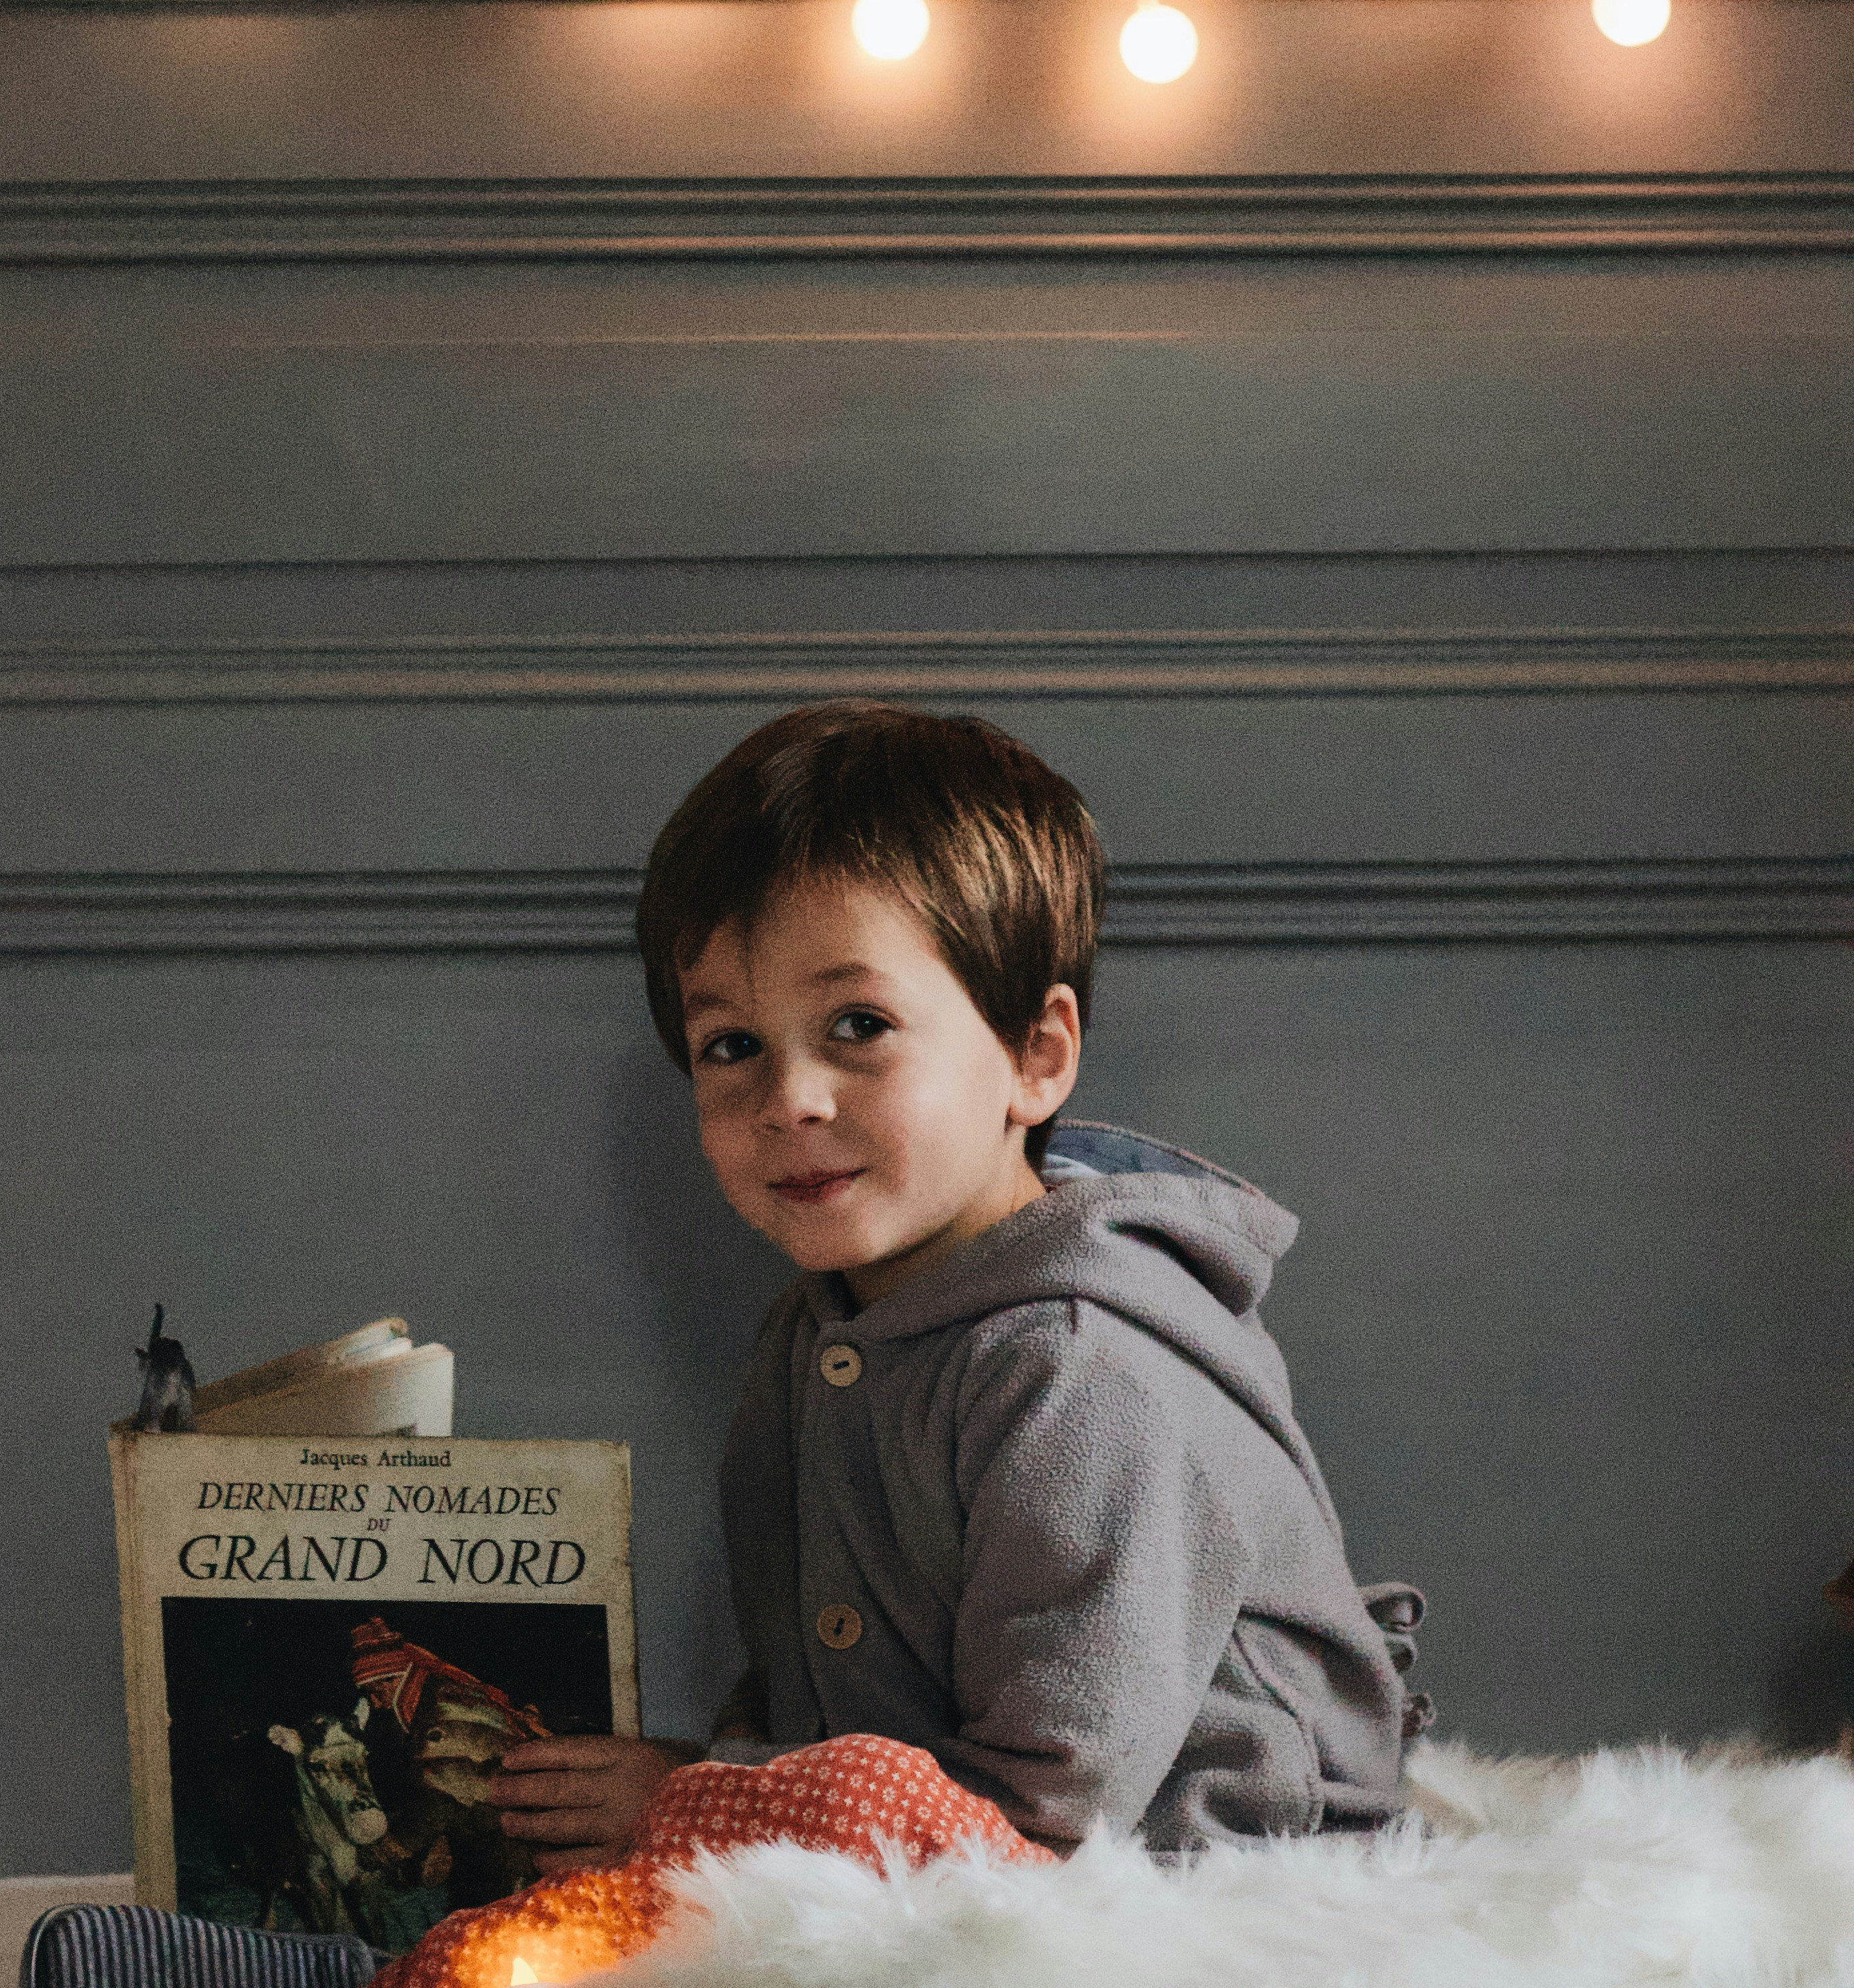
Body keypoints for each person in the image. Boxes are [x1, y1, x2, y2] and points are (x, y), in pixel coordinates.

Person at [496, 700, 1413, 1874]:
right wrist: (721, 1782)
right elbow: (820, 1704)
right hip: (932, 1879)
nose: (790, 1099)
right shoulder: (821, 1333)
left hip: (1203, 1893)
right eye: (732, 1046)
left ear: (1037, 1057)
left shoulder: (1082, 1367)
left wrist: (692, 1810)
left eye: (859, 1026)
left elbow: (1053, 1820)